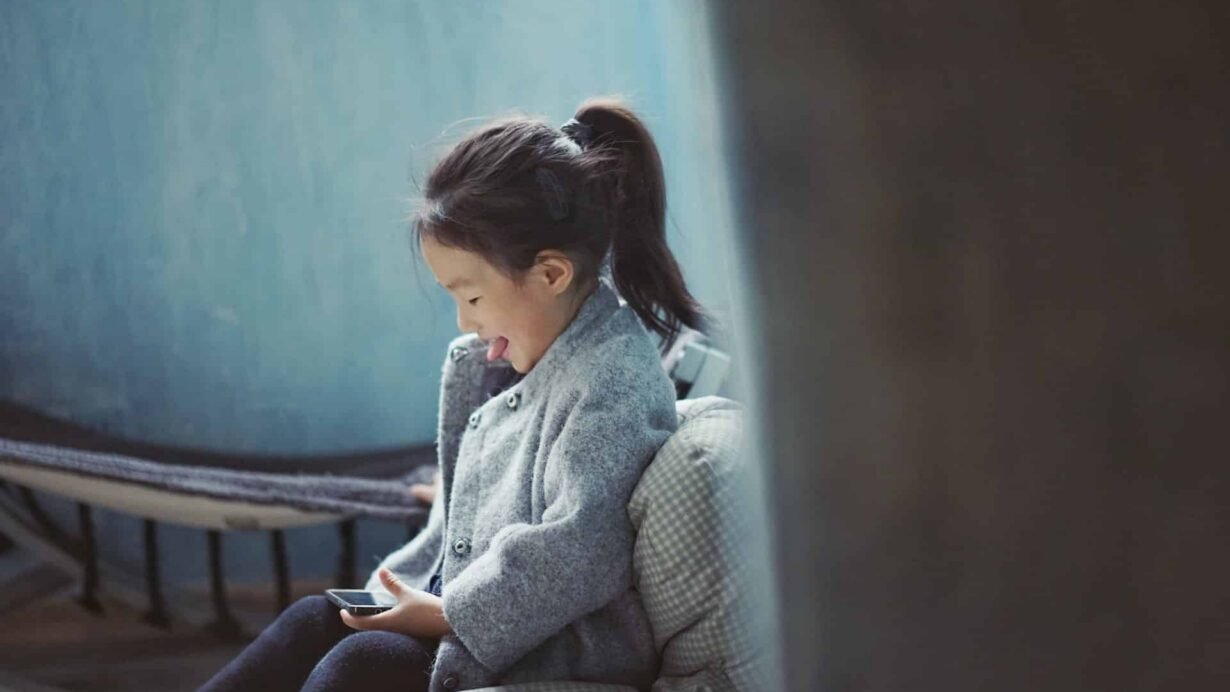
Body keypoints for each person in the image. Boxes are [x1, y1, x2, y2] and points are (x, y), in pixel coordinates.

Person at [199, 97, 706, 692]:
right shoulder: (508, 360)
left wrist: (446, 614)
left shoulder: (612, 380)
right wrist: (463, 489)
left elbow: (584, 548)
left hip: (543, 649)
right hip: (456, 611)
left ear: (550, 275)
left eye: (472, 297)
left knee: (355, 670)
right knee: (313, 619)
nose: (465, 323)